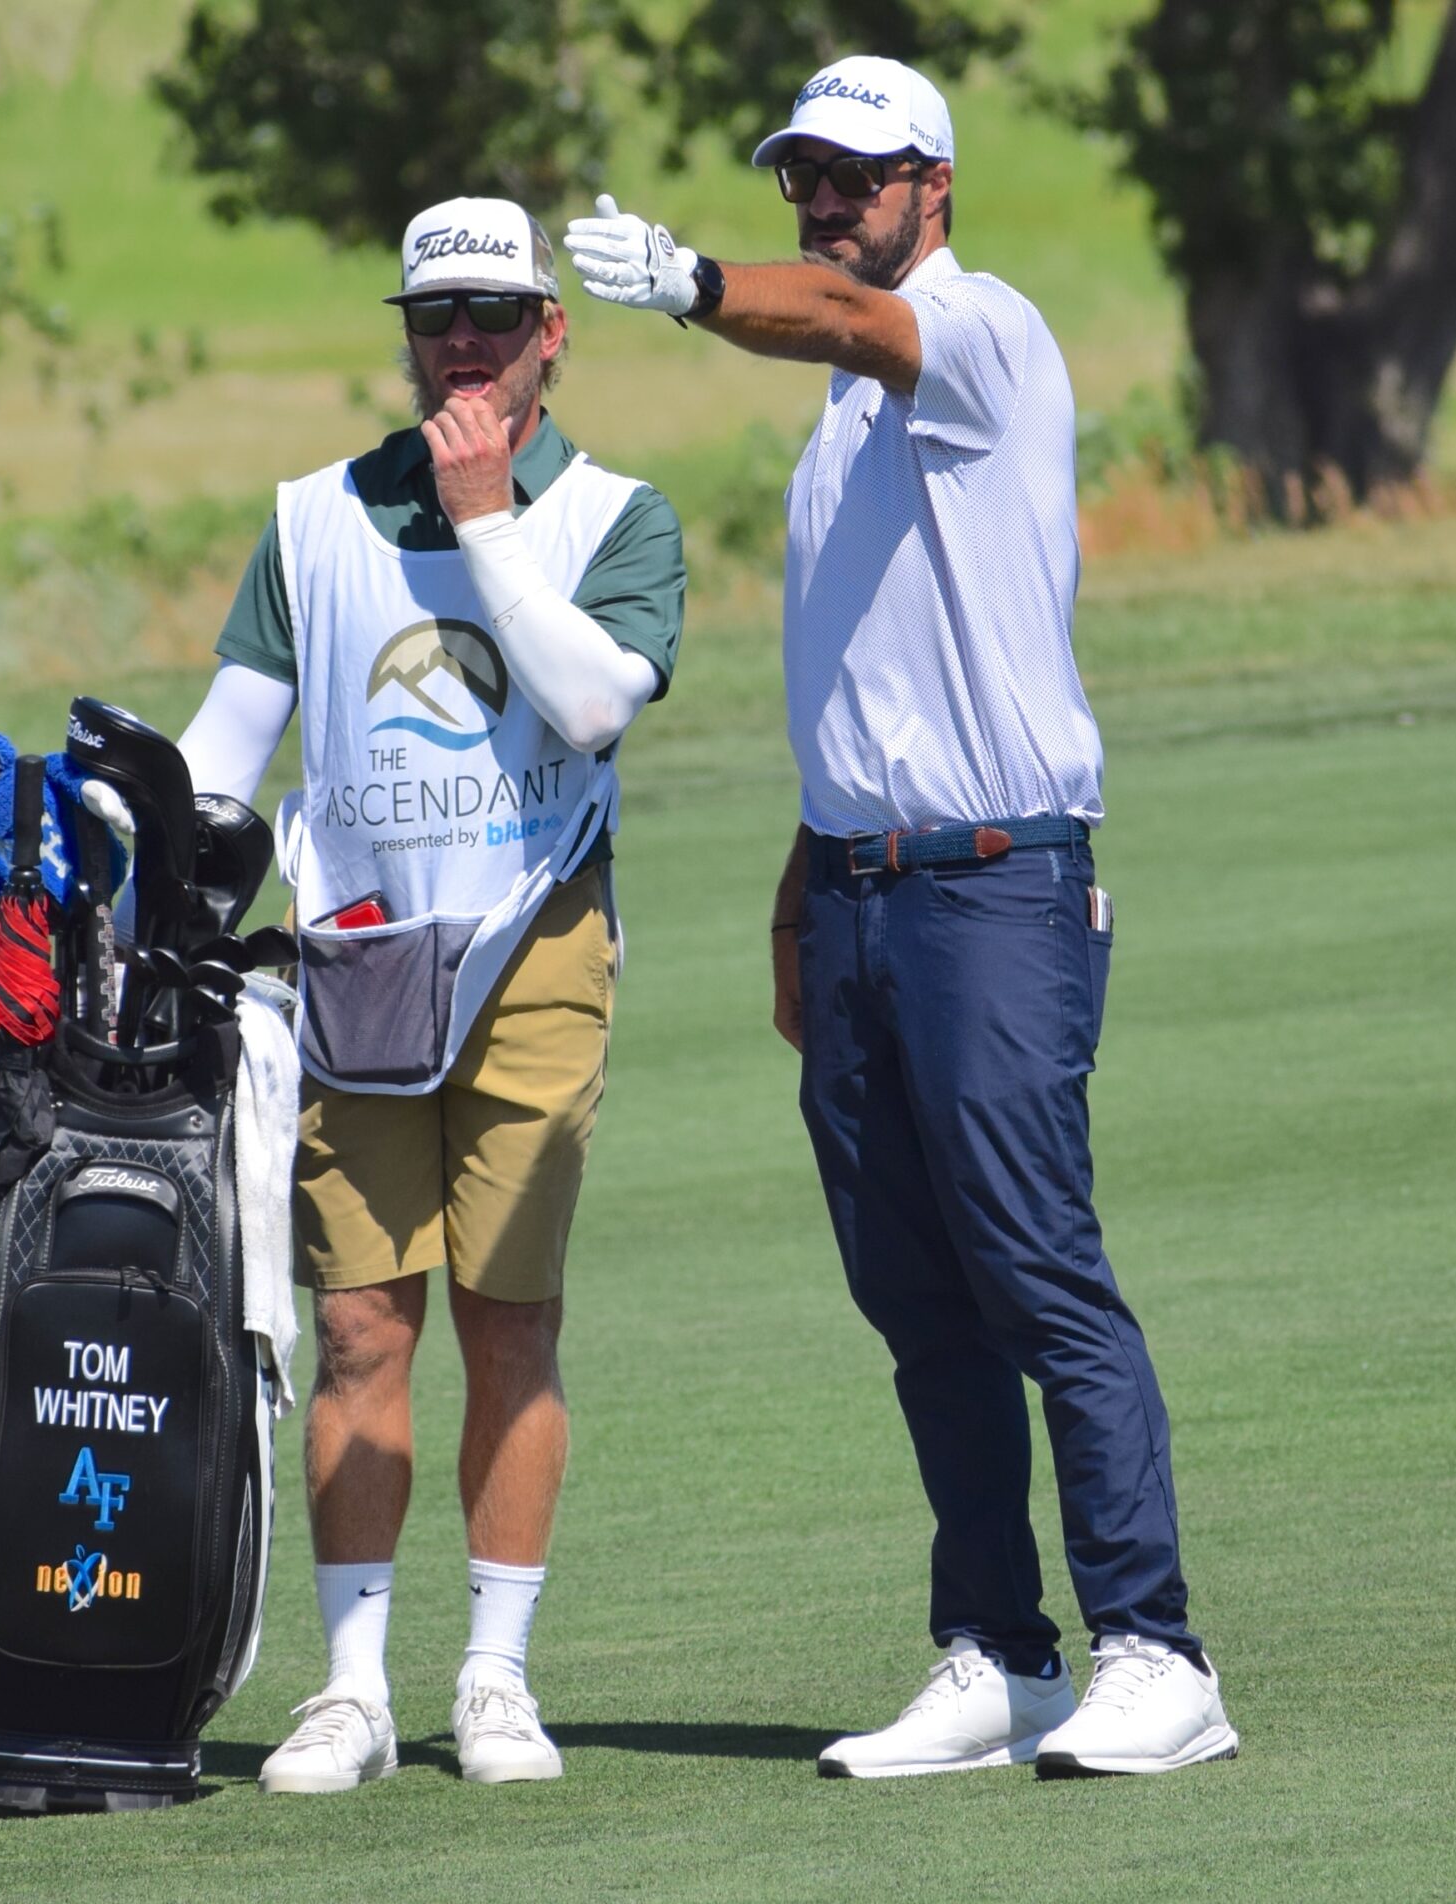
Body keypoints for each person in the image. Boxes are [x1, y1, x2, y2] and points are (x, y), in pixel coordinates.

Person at [564, 58, 1236, 1779]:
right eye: (803, 179)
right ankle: (997, 1655)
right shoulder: (843, 417)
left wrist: (702, 285)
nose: (828, 203)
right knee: (916, 1299)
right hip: (865, 896)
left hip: (1000, 882)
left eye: (858, 179)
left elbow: (848, 325)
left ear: (935, 185)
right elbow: (870, 668)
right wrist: (809, 881)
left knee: (1035, 1269)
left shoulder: (979, 333)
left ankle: (1156, 1651)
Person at [173, 197, 685, 1791]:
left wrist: (481, 522)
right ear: (407, 331)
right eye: (433, 319)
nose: (460, 345)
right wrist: (122, 864)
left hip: (535, 949)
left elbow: (593, 705)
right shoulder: (312, 516)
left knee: (510, 1322)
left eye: (493, 317)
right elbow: (222, 757)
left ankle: (495, 1678)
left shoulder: (615, 517)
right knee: (359, 1328)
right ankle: (354, 1689)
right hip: (361, 959)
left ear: (553, 330)